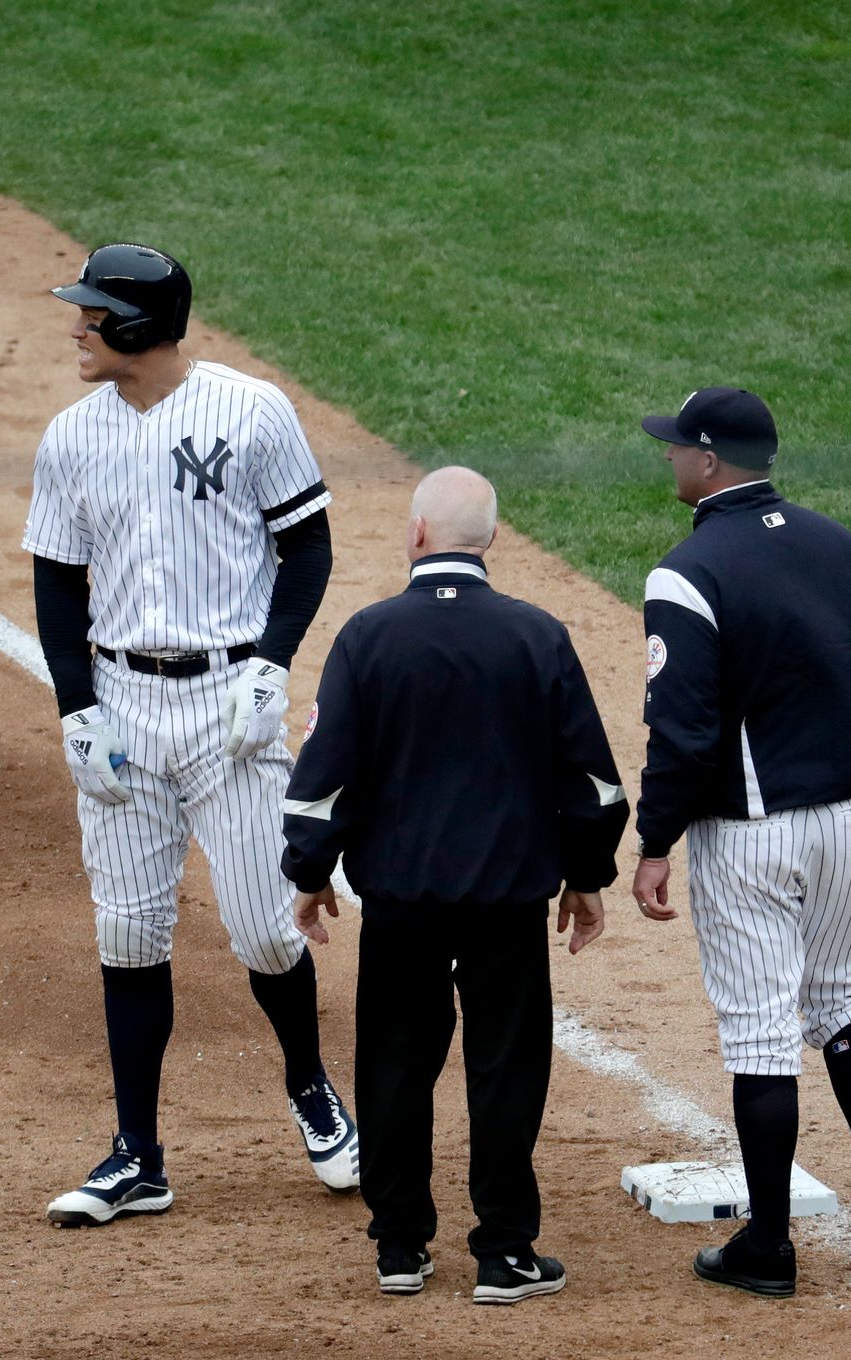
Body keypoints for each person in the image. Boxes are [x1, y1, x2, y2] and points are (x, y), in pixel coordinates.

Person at [26, 243, 358, 1227]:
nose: (76, 327)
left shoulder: (251, 412)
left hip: (228, 708)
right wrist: (78, 708)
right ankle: (138, 1153)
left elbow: (307, 542)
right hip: (126, 707)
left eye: (93, 314)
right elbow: (55, 577)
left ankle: (309, 1086)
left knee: (265, 929)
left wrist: (269, 664)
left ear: (139, 325)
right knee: (129, 933)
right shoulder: (71, 436)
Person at [279, 466, 629, 1305]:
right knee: (505, 1070)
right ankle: (505, 1253)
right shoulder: (536, 636)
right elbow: (593, 784)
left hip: (401, 904)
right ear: (492, 541)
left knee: (395, 1066)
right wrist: (586, 876)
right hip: (507, 905)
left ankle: (400, 1247)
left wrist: (310, 869)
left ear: (418, 535)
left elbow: (325, 779)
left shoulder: (368, 636)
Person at [628, 387, 851, 1298]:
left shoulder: (687, 573)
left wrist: (654, 840)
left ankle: (769, 1248)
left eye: (678, 447)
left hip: (751, 839)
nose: (669, 457)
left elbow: (681, 732)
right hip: (843, 821)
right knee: (844, 1000)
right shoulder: (842, 546)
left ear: (710, 460)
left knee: (759, 1034)